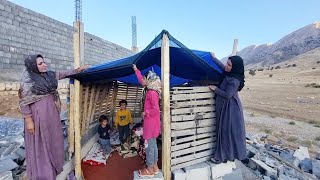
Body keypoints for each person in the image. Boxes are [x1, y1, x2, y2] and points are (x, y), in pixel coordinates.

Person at [19, 54, 88, 179]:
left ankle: (54, 165)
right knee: (41, 142)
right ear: (33, 66)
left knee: (53, 138)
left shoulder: (49, 75)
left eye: (44, 62)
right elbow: (23, 102)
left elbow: (62, 74)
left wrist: (77, 70)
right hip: (37, 117)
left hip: (51, 114)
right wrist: (29, 120)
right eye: (40, 64)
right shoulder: (28, 81)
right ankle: (43, 172)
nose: (44, 65)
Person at [209, 55, 246, 163]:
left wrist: (215, 89)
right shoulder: (229, 73)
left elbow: (227, 95)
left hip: (230, 109)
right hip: (225, 107)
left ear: (234, 68)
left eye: (229, 65)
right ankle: (226, 155)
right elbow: (222, 67)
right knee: (224, 132)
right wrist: (214, 58)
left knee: (225, 132)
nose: (226, 66)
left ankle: (220, 157)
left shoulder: (234, 80)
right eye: (227, 63)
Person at [133, 64, 161, 178]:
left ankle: (149, 169)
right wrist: (136, 70)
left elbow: (156, 110)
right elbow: (140, 80)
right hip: (153, 124)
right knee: (153, 145)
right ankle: (154, 167)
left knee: (149, 146)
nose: (142, 80)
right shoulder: (150, 90)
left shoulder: (152, 93)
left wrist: (146, 113)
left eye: (145, 78)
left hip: (151, 123)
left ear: (149, 80)